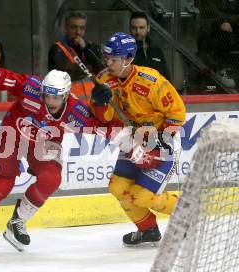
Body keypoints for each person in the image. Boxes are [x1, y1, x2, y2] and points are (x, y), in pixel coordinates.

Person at [0, 68, 108, 251]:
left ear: (65, 95)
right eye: (47, 96)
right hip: (12, 133)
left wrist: (101, 105)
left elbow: (101, 125)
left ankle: (17, 221)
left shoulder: (75, 110)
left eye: (56, 98)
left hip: (45, 141)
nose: (50, 101)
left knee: (51, 178)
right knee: (2, 184)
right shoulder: (30, 87)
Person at [89, 32, 186, 246]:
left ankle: (186, 214)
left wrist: (161, 137)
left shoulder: (151, 81)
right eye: (106, 58)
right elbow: (103, 118)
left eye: (114, 59)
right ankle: (148, 230)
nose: (108, 63)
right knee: (118, 187)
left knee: (142, 196)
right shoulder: (104, 80)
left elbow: (177, 112)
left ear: (129, 58)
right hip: (134, 142)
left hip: (162, 144)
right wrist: (99, 102)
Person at [48, 11, 103, 81]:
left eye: (82, 28)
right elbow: (62, 74)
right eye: (74, 28)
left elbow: (101, 69)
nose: (78, 32)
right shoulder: (57, 49)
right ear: (66, 28)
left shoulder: (92, 48)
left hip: (91, 91)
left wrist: (86, 48)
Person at [198, 0, 239, 88]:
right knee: (224, 30)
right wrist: (226, 21)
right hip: (211, 32)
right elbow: (215, 15)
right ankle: (222, 68)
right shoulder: (207, 2)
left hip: (232, 29)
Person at [129, 11, 170, 81]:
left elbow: (166, 77)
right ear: (129, 28)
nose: (138, 31)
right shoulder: (123, 50)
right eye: (134, 28)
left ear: (148, 28)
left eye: (141, 27)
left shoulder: (156, 49)